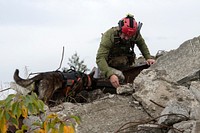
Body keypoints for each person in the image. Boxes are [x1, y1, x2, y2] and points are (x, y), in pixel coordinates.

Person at [96, 14, 155, 89]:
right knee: (120, 76)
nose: (127, 38)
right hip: (109, 65)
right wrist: (110, 74)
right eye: (124, 35)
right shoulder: (109, 35)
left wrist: (148, 57)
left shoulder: (135, 34)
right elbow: (100, 58)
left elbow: (141, 44)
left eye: (129, 36)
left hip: (125, 63)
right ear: (120, 30)